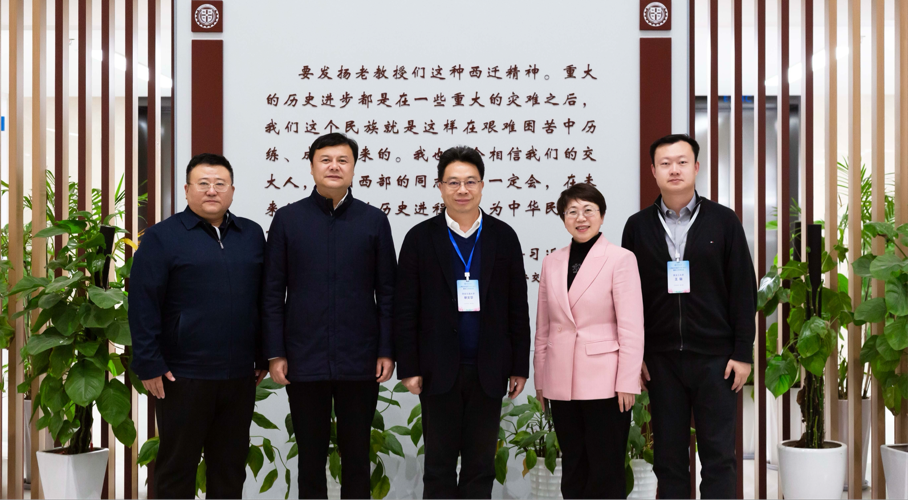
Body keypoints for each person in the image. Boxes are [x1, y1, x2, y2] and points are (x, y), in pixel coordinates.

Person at [262, 133, 397, 498]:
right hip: (304, 356)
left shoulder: (373, 220)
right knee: (310, 457)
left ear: (353, 168)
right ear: (311, 167)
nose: (334, 166)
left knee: (357, 456)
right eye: (325, 160)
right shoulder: (288, 219)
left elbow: (388, 292)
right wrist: (275, 352)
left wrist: (386, 349)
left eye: (342, 160)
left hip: (360, 357)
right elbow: (272, 292)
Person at [621, 134, 756, 499]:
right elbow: (628, 298)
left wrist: (742, 352)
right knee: (668, 459)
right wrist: (636, 356)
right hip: (661, 361)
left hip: (717, 361)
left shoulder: (724, 221)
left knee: (719, 458)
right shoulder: (637, 226)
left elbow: (743, 289)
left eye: (682, 162)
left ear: (696, 167)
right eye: (665, 163)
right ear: (653, 171)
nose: (674, 170)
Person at [394, 146, 531, 499]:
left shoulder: (503, 236)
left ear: (482, 186)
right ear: (440, 187)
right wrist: (408, 366)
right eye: (453, 182)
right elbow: (405, 308)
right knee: (438, 466)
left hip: (489, 368)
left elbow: (517, 306)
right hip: (437, 369)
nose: (462, 190)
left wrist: (519, 365)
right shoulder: (419, 238)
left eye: (470, 181)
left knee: (480, 466)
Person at [130, 153, 267, 499]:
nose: (211, 190)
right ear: (187, 189)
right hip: (182, 375)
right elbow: (143, 304)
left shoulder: (251, 234)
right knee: (177, 467)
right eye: (203, 183)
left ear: (232, 190)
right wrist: (149, 362)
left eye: (220, 184)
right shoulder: (162, 237)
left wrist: (263, 354)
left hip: (239, 375)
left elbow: (263, 299)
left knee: (230, 467)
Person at [534, 183, 645, 499]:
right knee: (573, 467)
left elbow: (631, 327)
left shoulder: (620, 259)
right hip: (561, 381)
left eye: (588, 210)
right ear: (563, 218)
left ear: (602, 215)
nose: (580, 218)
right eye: (572, 212)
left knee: (606, 469)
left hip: (605, 383)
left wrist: (627, 381)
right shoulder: (552, 262)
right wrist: (541, 380)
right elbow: (543, 327)